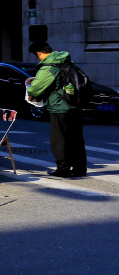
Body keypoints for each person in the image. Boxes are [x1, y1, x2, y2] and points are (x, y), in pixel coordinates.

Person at [26, 41, 88, 178]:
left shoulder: (48, 66)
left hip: (59, 107)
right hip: (75, 105)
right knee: (76, 138)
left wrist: (31, 95)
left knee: (59, 139)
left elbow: (37, 88)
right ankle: (79, 168)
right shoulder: (66, 61)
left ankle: (63, 168)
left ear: (39, 53)